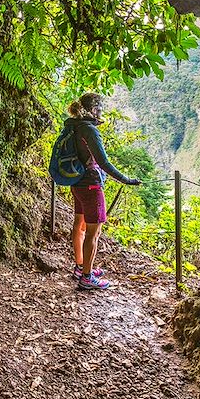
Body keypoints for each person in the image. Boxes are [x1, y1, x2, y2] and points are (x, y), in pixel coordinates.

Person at [66, 92, 141, 290]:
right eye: (99, 109)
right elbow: (103, 162)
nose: (101, 113)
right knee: (93, 232)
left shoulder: (73, 125)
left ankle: (81, 267)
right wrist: (126, 180)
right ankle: (87, 278)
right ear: (93, 110)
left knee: (79, 226)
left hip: (76, 181)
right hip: (91, 185)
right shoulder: (89, 130)